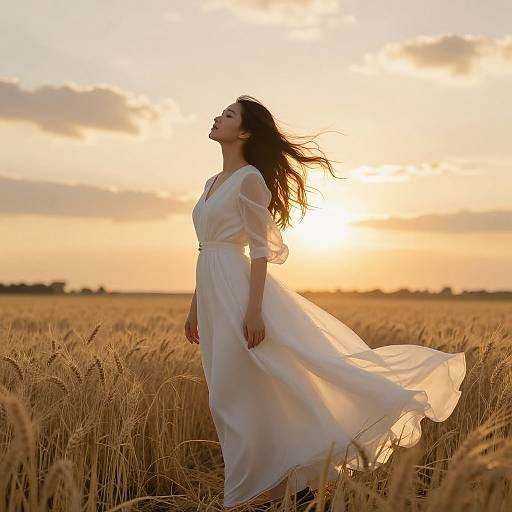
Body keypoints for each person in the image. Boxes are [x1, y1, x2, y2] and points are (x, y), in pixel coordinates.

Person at [184, 95, 466, 510]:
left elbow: (260, 251)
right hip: (212, 290)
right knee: (235, 391)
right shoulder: (211, 183)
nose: (217, 117)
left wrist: (254, 308)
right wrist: (194, 307)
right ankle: (294, 492)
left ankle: (288, 489)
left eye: (227, 115)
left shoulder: (248, 179)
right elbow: (205, 249)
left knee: (239, 392)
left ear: (244, 132)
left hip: (239, 292)